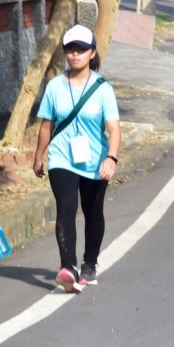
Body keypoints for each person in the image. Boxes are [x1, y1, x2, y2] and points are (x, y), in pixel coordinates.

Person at [31, 24, 121, 293]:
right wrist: (39, 156)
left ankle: (89, 263)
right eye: (70, 49)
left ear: (92, 53)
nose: (75, 54)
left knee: (93, 212)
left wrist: (111, 158)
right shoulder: (55, 86)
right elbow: (46, 125)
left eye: (81, 49)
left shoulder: (103, 88)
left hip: (95, 160)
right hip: (62, 158)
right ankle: (68, 267)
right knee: (66, 207)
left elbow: (114, 129)